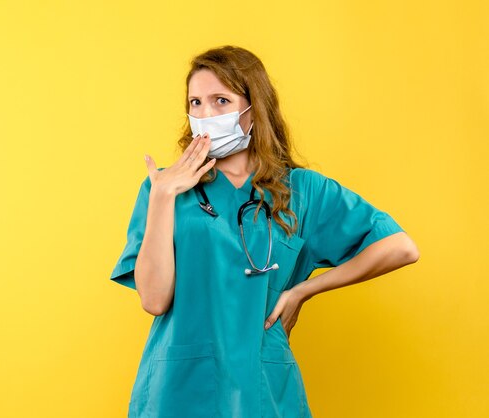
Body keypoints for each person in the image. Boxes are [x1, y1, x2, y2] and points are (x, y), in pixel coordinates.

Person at [109, 45, 420, 418]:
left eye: (220, 100)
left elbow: (401, 248)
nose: (205, 114)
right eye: (195, 103)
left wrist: (304, 290)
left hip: (261, 386)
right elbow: (154, 300)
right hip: (177, 388)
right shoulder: (164, 189)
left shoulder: (301, 191)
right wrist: (162, 196)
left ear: (253, 110)